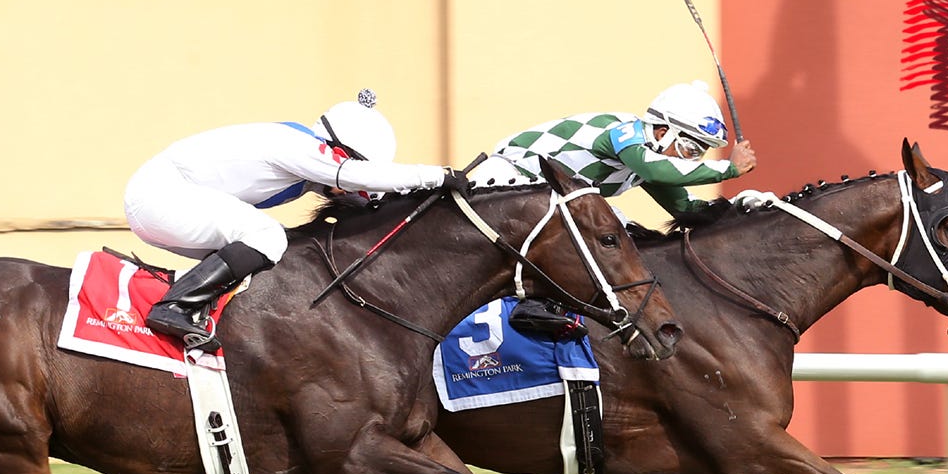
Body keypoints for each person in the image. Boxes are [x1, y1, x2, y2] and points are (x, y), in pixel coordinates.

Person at [124, 90, 469, 351]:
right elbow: (354, 176)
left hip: (163, 201)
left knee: (267, 252)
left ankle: (207, 316)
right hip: (160, 195)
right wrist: (437, 176)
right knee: (268, 236)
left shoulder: (306, 165)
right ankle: (172, 307)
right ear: (336, 149)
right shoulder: (297, 146)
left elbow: (367, 195)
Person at [473, 80, 758, 337]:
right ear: (662, 132)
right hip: (508, 177)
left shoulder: (646, 160)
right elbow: (655, 169)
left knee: (621, 234)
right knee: (596, 230)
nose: (689, 161)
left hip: (546, 194)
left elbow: (686, 208)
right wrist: (728, 168)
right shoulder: (625, 133)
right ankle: (533, 304)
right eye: (690, 150)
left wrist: (741, 210)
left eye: (700, 154)